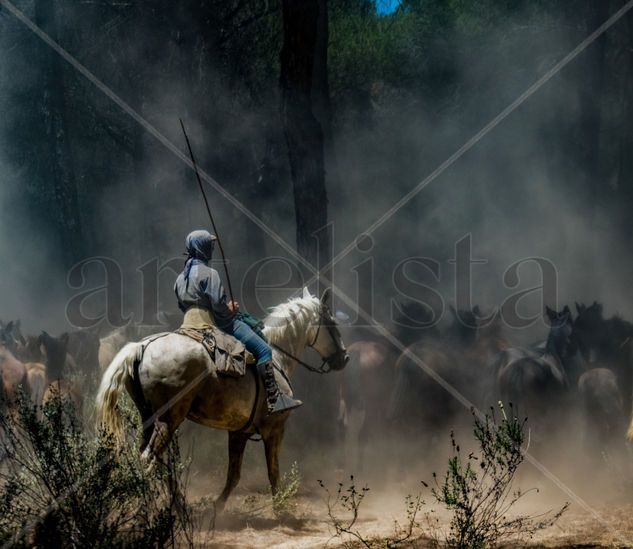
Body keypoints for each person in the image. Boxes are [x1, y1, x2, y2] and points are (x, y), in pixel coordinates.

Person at [174, 229, 302, 414]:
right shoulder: (210, 273)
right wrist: (230, 309)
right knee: (264, 349)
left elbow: (182, 306)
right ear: (201, 248)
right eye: (210, 245)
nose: (212, 248)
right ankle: (274, 399)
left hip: (187, 325)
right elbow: (219, 308)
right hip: (215, 324)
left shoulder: (179, 279)